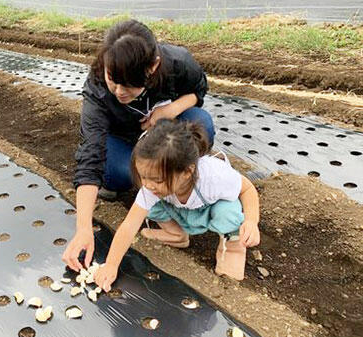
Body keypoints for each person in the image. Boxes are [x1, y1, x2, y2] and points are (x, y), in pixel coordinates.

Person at [63, 19, 215, 271]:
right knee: (121, 173)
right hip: (122, 141)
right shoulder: (97, 90)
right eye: (114, 80)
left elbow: (199, 89)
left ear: (153, 67)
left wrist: (171, 109)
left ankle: (179, 185)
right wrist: (83, 229)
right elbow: (91, 153)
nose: (120, 92)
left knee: (202, 124)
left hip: (160, 135)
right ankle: (156, 182)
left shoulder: (177, 62)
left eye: (130, 84)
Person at [94, 120, 260, 290]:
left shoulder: (214, 176)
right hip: (179, 208)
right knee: (147, 206)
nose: (148, 185)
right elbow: (129, 225)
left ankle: (232, 247)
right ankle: (176, 234)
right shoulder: (152, 187)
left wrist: (251, 222)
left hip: (209, 208)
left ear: (187, 172)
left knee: (229, 212)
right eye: (143, 177)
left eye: (157, 180)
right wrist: (111, 265)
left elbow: (247, 189)